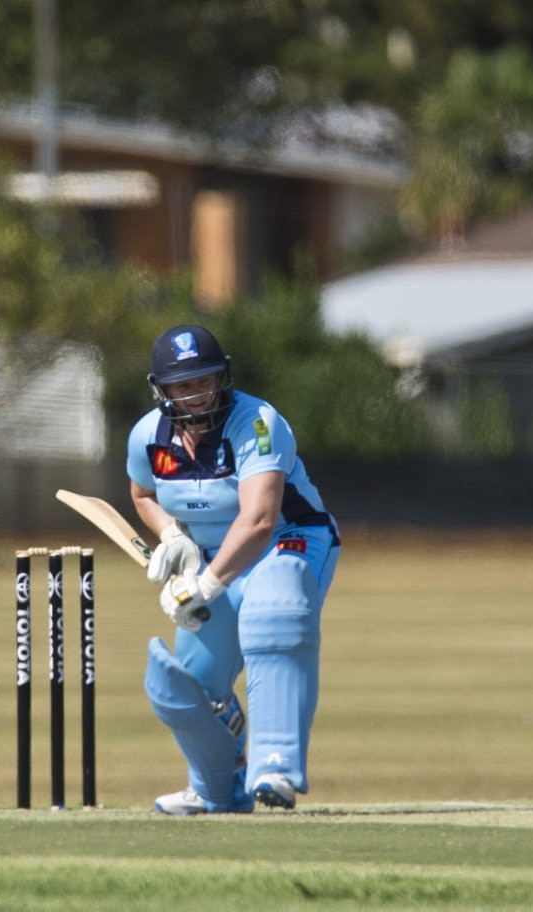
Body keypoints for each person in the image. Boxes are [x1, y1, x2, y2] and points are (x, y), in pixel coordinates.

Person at [127, 324, 341, 814]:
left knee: (275, 606)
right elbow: (142, 495)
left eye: (206, 380)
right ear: (162, 390)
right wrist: (172, 535)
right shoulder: (148, 436)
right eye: (183, 385)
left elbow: (261, 520)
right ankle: (214, 790)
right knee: (193, 681)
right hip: (215, 558)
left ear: (222, 376)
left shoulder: (258, 422)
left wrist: (203, 584)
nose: (198, 394)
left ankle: (275, 766)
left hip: (290, 540)